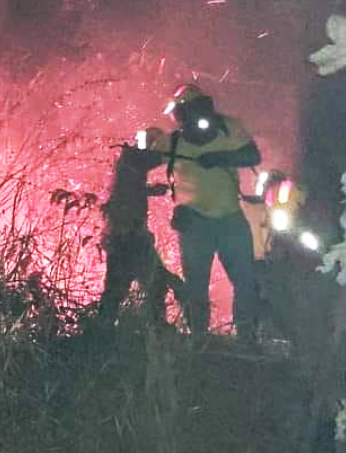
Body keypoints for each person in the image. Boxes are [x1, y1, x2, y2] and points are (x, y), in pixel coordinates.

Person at [150, 84, 263, 343]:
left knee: (245, 282)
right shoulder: (171, 142)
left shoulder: (229, 128)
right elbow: (142, 162)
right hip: (194, 224)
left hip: (231, 220)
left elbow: (252, 155)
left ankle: (246, 338)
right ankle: (199, 339)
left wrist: (221, 157)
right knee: (196, 287)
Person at [97, 128, 181, 326]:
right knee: (154, 283)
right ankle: (155, 328)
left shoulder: (129, 162)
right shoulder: (134, 158)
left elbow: (129, 188)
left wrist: (149, 190)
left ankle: (103, 330)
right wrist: (177, 146)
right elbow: (156, 159)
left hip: (124, 234)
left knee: (118, 289)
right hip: (129, 235)